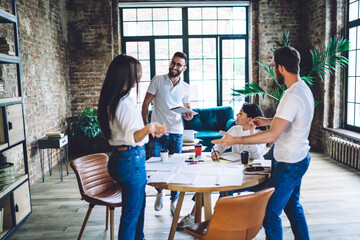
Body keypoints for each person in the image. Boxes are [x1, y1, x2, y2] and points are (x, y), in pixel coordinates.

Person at [212, 46, 314, 240]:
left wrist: (235, 139)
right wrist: (266, 121)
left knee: (270, 213)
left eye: (274, 66)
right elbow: (287, 121)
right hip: (297, 158)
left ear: (281, 68)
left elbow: (272, 136)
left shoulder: (292, 96)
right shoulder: (301, 89)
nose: (273, 69)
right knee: (293, 207)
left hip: (290, 164)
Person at [98, 54, 166, 240]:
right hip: (130, 161)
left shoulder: (114, 99)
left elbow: (129, 134)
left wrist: (148, 131)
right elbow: (132, 136)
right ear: (127, 75)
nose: (140, 77)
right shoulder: (124, 102)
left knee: (138, 207)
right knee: (131, 215)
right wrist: (149, 127)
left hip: (120, 159)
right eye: (137, 73)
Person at [177, 102, 267, 229]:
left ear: (250, 119)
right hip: (235, 170)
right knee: (207, 180)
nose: (237, 114)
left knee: (224, 185)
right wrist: (216, 151)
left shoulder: (259, 133)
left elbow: (257, 155)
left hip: (251, 174)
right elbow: (220, 144)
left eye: (240, 113)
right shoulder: (235, 129)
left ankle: (220, 218)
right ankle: (194, 216)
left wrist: (251, 133)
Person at [142, 52, 193, 215]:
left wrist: (189, 114)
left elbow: (188, 109)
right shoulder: (158, 79)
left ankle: (173, 200)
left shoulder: (185, 87)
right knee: (157, 167)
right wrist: (146, 125)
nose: (174, 66)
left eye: (178, 65)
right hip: (158, 132)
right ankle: (159, 193)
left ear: (184, 68)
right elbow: (145, 103)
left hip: (177, 131)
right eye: (173, 63)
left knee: (175, 168)